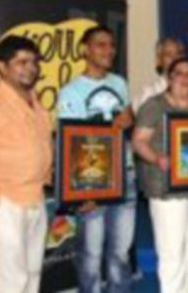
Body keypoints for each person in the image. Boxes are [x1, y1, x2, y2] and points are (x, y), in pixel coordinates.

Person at [134, 37, 188, 288]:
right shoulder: (154, 105)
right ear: (169, 78)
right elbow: (138, 142)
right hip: (166, 189)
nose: (185, 78)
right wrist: (157, 158)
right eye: (179, 74)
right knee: (172, 254)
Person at [57, 26, 137, 293]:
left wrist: (128, 120)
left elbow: (128, 118)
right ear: (85, 50)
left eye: (111, 45)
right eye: (101, 44)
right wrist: (82, 191)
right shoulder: (70, 92)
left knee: (121, 251)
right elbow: (71, 143)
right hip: (91, 177)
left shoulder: (120, 83)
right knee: (90, 254)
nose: (109, 50)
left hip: (124, 173)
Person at [0, 36, 50, 293]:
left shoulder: (36, 102)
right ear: (1, 67)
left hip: (37, 199)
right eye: (21, 62)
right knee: (11, 281)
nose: (30, 68)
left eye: (34, 62)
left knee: (32, 275)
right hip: (6, 203)